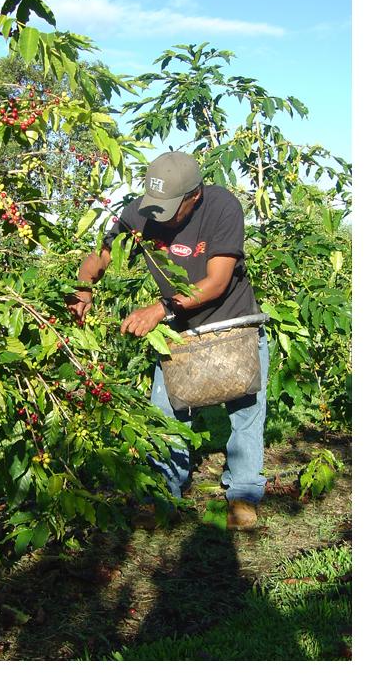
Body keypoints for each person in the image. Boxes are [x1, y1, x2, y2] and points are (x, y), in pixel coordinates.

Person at [67, 151, 269, 530]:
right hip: (179, 332)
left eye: (171, 207)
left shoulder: (223, 207)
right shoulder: (141, 212)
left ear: (195, 196)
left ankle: (243, 493)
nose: (160, 216)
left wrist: (159, 309)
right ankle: (163, 494)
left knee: (246, 411)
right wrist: (83, 290)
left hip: (234, 325)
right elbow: (102, 253)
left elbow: (217, 281)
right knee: (167, 415)